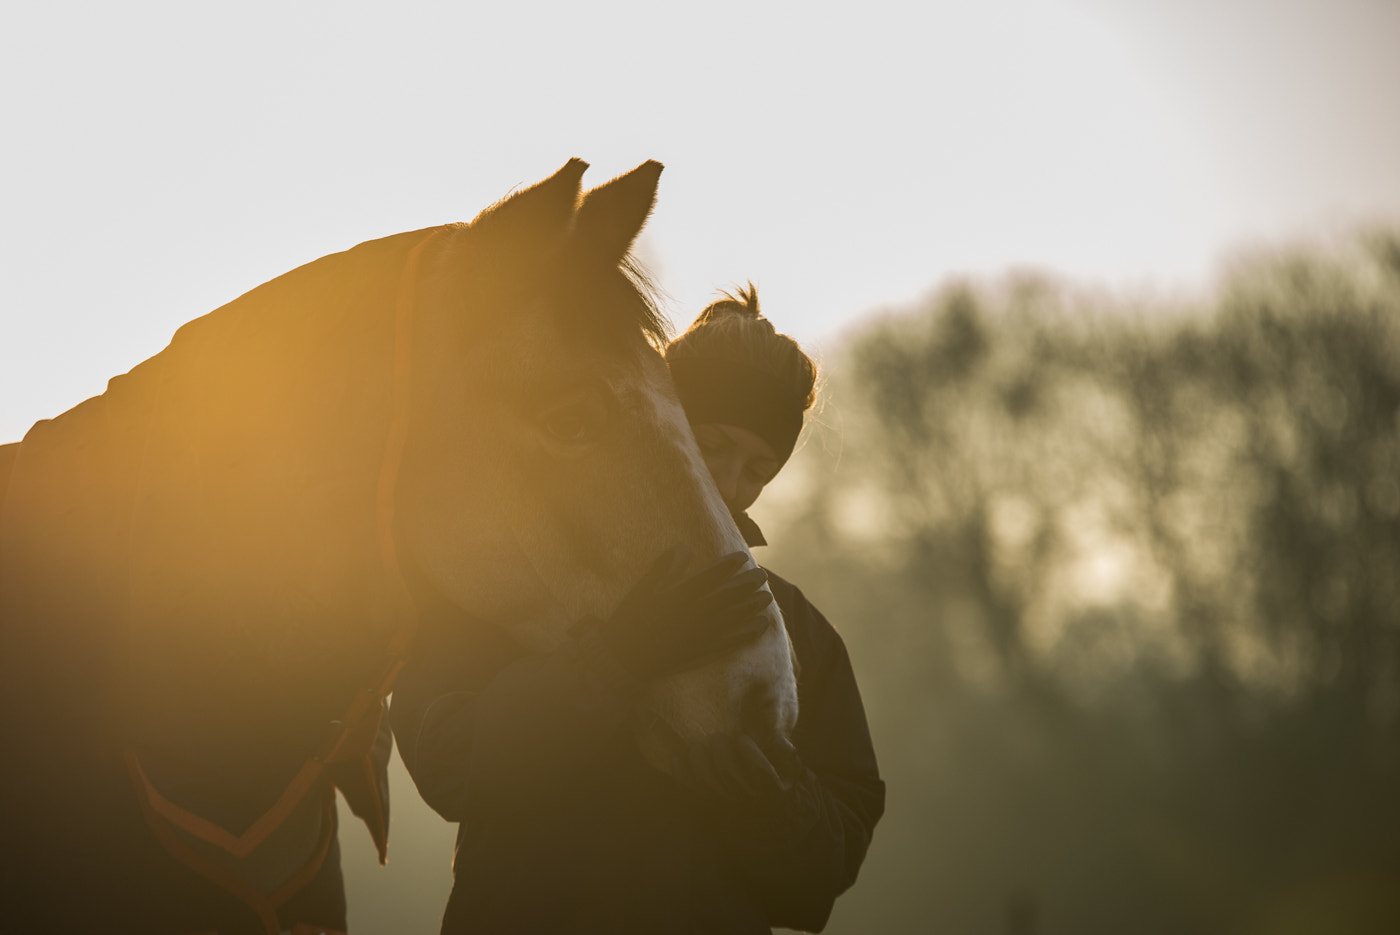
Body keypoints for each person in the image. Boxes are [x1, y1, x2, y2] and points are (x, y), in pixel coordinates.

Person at [390, 285, 884, 934]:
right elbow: (451, 767)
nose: (734, 487)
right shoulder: (521, 574)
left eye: (759, 468)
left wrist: (771, 802)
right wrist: (615, 659)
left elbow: (823, 878)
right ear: (664, 427)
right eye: (712, 448)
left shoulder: (799, 632)